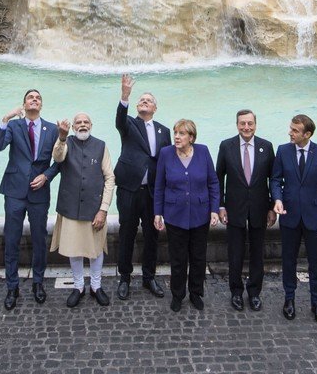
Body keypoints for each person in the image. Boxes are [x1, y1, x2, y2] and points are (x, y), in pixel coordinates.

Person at [0, 89, 60, 310]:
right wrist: (5, 118)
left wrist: (46, 176)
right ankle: (12, 286)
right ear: (24, 104)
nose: (35, 100)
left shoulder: (53, 129)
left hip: (39, 191)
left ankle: (38, 282)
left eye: (38, 98)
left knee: (40, 238)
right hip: (14, 190)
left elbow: (59, 161)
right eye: (31, 97)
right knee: (11, 239)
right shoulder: (14, 126)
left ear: (42, 105)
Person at [271, 114, 317, 325]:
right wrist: (277, 200)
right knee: (288, 260)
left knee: (316, 263)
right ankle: (289, 299)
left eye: (295, 130)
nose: (290, 132)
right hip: (289, 216)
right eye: (290, 128)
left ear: (307, 134)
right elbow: (275, 180)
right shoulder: (282, 150)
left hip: (315, 218)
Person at [113, 74, 171, 301]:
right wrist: (125, 96)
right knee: (126, 234)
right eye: (141, 100)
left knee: (152, 236)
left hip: (152, 192)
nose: (144, 101)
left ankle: (149, 277)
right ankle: (125, 278)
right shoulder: (128, 124)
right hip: (129, 189)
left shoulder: (164, 131)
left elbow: (167, 161)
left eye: (149, 100)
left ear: (155, 108)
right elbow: (119, 119)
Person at [153, 119, 220, 312]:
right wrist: (158, 212)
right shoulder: (166, 153)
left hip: (200, 214)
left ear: (191, 137)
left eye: (181, 134)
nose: (176, 137)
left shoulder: (203, 151)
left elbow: (213, 183)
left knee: (199, 257)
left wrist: (214, 209)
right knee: (178, 259)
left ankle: (196, 293)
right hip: (175, 215)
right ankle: (177, 294)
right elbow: (159, 186)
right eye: (175, 133)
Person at [50, 113, 115, 308]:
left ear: (91, 125)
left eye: (86, 122)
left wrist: (103, 209)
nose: (82, 125)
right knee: (74, 249)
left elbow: (110, 178)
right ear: (72, 126)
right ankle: (78, 286)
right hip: (70, 207)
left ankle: (96, 286)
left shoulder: (101, 145)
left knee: (96, 250)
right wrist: (61, 137)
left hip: (94, 209)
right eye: (78, 122)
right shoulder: (65, 142)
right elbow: (57, 157)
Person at [216, 109, 275, 312]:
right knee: (235, 252)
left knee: (258, 252)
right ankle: (236, 292)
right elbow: (218, 178)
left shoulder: (266, 147)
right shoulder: (226, 146)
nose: (246, 127)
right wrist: (220, 205)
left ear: (255, 125)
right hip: (234, 208)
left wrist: (271, 207)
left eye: (250, 123)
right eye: (242, 124)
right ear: (237, 125)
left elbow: (272, 179)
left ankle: (254, 292)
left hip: (259, 208)